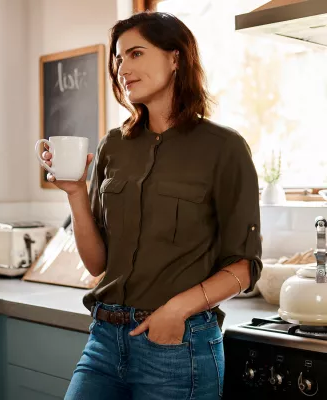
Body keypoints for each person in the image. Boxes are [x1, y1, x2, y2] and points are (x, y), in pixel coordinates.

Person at [43, 11, 262, 400]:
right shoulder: (113, 146)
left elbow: (243, 268)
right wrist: (75, 193)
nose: (122, 67)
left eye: (135, 54)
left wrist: (177, 310)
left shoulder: (224, 149)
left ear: (175, 58)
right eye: (118, 59)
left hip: (177, 345)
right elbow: (97, 264)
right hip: (105, 340)